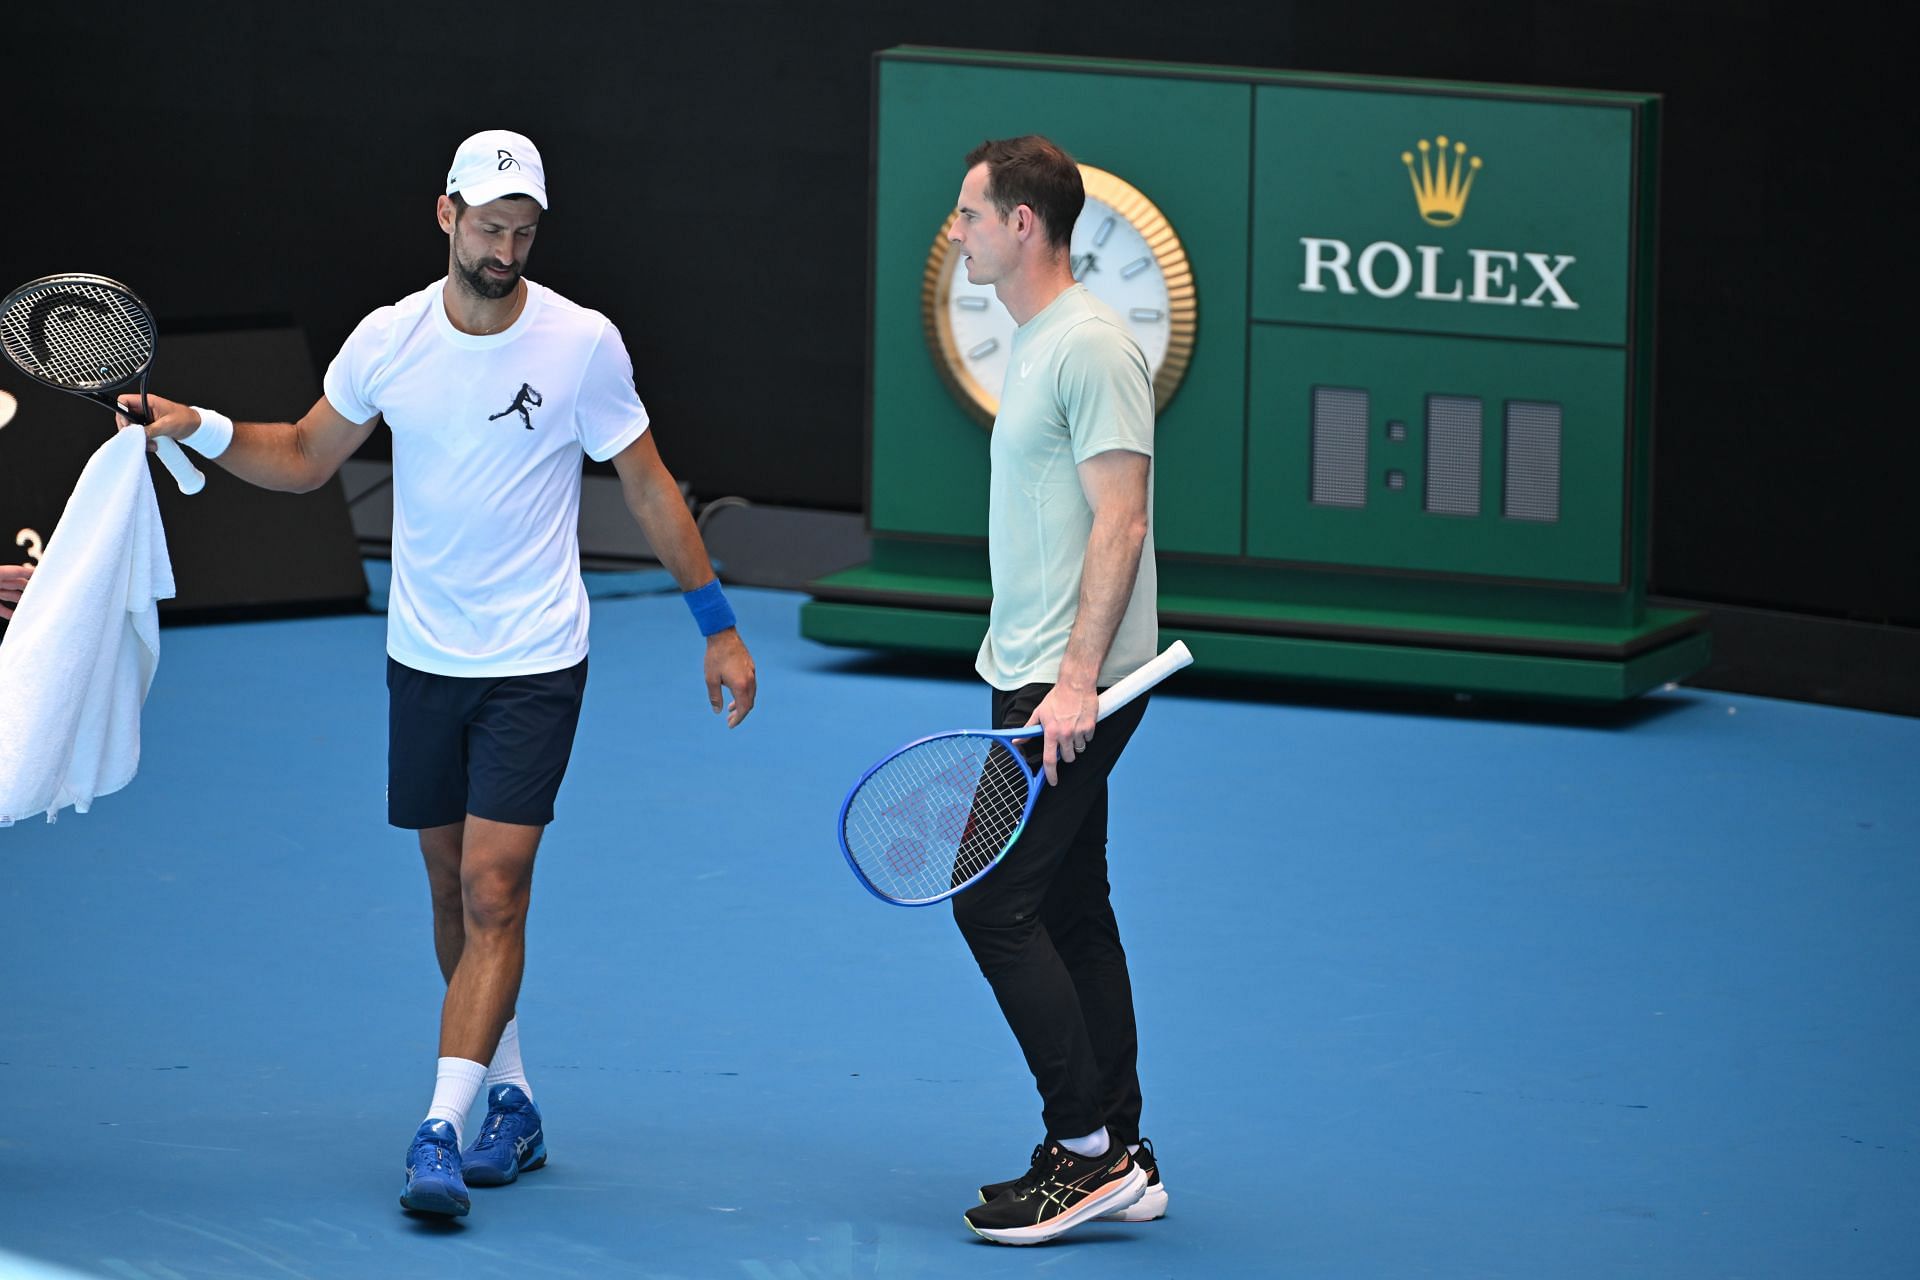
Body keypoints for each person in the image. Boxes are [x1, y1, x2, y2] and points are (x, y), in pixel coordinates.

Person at [120, 129, 757, 1219]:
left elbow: (648, 486)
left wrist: (718, 623)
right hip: (423, 656)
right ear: (447, 214)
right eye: (490, 224)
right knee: (449, 893)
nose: (506, 246)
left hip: (536, 658)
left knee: (494, 890)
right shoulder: (390, 339)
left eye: (524, 231)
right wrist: (203, 423)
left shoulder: (582, 344)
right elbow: (305, 455)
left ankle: (438, 1128)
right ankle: (512, 1097)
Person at [943, 135, 1165, 1246]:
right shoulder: (1034, 343)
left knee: (988, 898)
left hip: (1065, 685)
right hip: (1034, 667)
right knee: (1072, 904)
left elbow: (1121, 517)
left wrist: (1075, 681)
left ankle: (1083, 1151)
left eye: (971, 215)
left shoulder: (1088, 346)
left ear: (1022, 223)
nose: (960, 231)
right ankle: (1123, 1141)